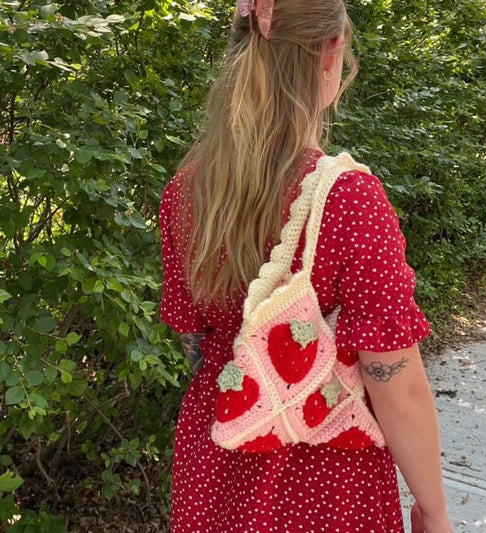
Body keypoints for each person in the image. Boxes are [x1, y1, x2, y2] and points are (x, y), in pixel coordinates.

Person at [159, 1, 454, 531]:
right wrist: (433, 509)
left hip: (217, 468)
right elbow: (396, 381)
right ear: (332, 52)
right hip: (327, 480)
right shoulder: (350, 199)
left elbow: (194, 338)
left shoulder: (186, 191)